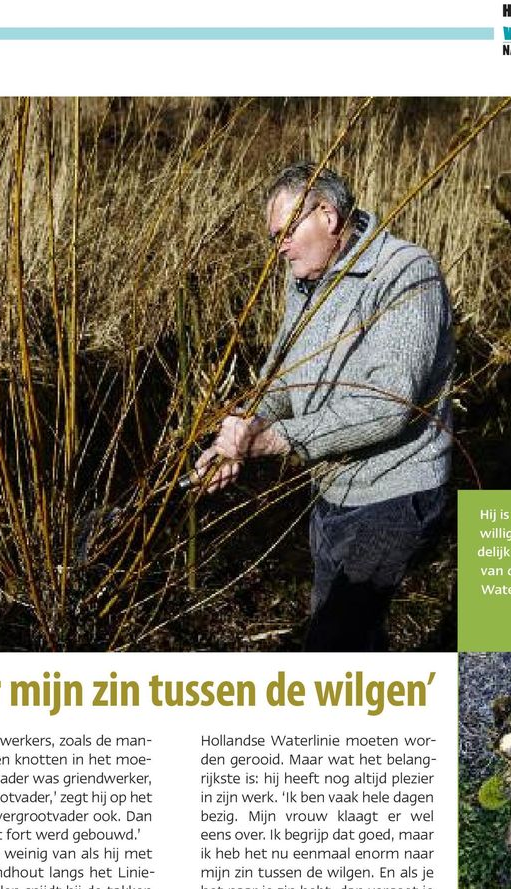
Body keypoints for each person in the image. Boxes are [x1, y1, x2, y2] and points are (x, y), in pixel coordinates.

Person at [194, 162, 455, 651]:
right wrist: (243, 435)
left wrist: (277, 440)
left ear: (328, 217)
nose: (280, 248)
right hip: (334, 488)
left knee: (334, 644)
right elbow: (284, 381)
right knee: (346, 634)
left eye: (285, 233)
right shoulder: (307, 285)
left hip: (395, 491)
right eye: (275, 238)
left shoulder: (405, 273)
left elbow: (390, 404)